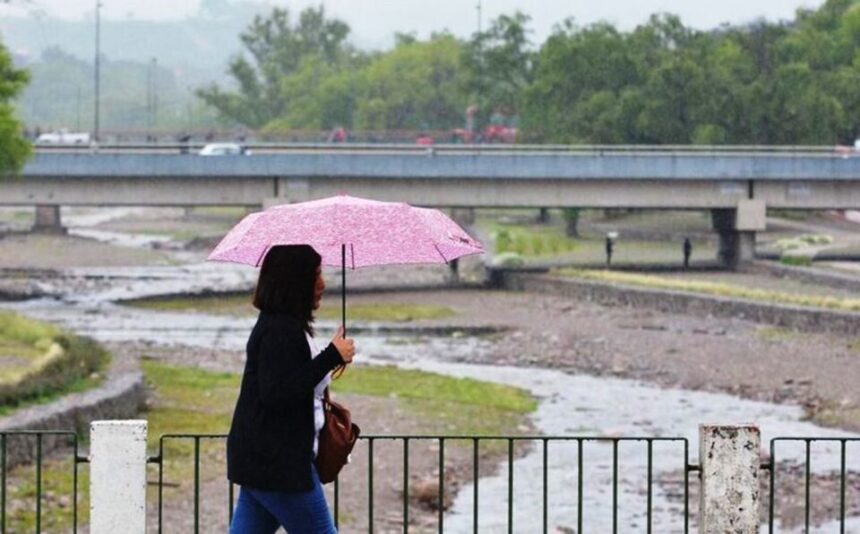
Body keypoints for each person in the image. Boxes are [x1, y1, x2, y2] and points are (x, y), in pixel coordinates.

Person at [227, 244, 355, 533]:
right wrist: (331, 356)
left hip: (262, 460)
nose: (322, 285)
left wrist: (332, 356)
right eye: (316, 276)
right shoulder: (279, 331)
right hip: (280, 465)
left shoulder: (281, 327)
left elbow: (294, 380)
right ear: (295, 282)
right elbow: (277, 393)